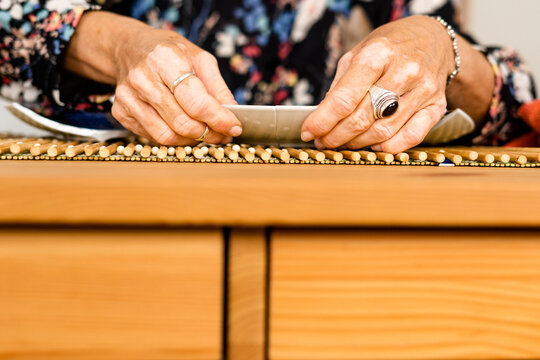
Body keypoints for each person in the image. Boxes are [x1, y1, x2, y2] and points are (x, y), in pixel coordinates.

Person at [0, 0, 536, 153]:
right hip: (121, 194)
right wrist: (118, 45)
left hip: (349, 216)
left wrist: (438, 44)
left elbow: (512, 100)